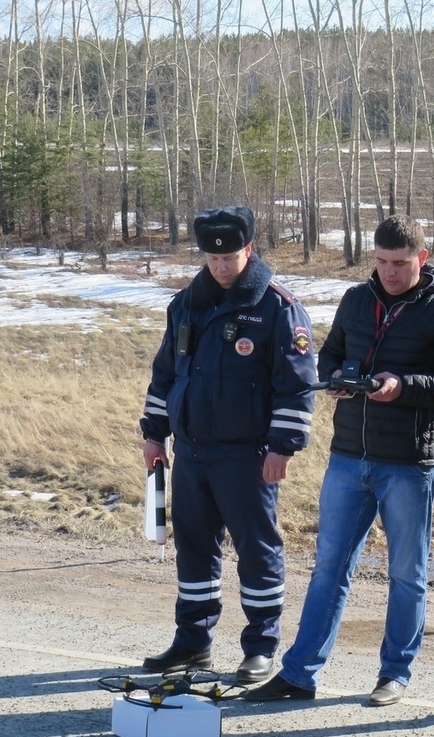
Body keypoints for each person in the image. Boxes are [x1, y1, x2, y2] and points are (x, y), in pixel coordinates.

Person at [244, 214, 434, 707]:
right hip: (349, 456)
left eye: (399, 264)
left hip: (409, 463)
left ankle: (395, 674)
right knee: (328, 567)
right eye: (381, 262)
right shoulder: (356, 299)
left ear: (423, 258)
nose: (389, 273)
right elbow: (327, 356)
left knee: (407, 573)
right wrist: (334, 379)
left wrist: (404, 387)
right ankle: (299, 674)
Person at [138, 206, 317, 682]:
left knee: (257, 550)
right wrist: (154, 435)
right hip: (192, 453)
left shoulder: (277, 307)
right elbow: (166, 375)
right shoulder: (184, 305)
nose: (220, 266)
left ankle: (260, 645)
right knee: (194, 549)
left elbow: (296, 385)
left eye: (230, 257)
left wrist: (284, 446)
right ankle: (193, 642)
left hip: (249, 456)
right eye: (213, 258)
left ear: (249, 250)